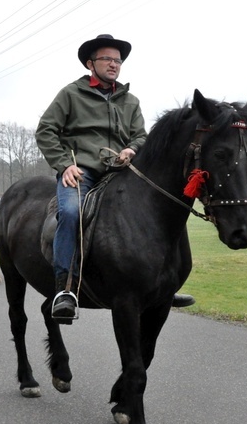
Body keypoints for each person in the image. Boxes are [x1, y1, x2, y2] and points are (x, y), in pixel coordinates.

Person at [36, 34, 194, 320]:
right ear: (90, 63)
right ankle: (65, 288)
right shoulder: (70, 94)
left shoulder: (130, 100)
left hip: (121, 173)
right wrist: (63, 165)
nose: (114, 64)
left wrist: (131, 149)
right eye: (107, 59)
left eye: (118, 60)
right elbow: (46, 131)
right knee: (71, 212)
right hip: (80, 173)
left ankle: (164, 286)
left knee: (161, 210)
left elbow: (140, 136)